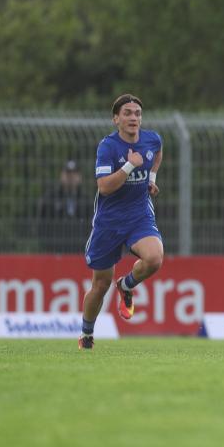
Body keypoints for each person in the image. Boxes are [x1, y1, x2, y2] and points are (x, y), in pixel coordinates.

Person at [79, 94, 164, 349]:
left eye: (137, 113)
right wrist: (129, 166)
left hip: (139, 215)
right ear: (116, 119)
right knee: (100, 284)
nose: (133, 118)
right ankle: (87, 334)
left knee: (154, 258)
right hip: (109, 222)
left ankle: (126, 286)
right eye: (127, 113)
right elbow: (104, 187)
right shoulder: (108, 147)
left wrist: (152, 177)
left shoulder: (152, 139)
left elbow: (157, 153)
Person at [37, 160, 93, 253]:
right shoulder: (50, 198)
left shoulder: (87, 201)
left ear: (79, 177)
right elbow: (42, 225)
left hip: (80, 252)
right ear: (61, 176)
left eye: (74, 174)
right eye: (67, 173)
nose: (70, 177)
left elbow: (92, 226)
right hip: (54, 252)